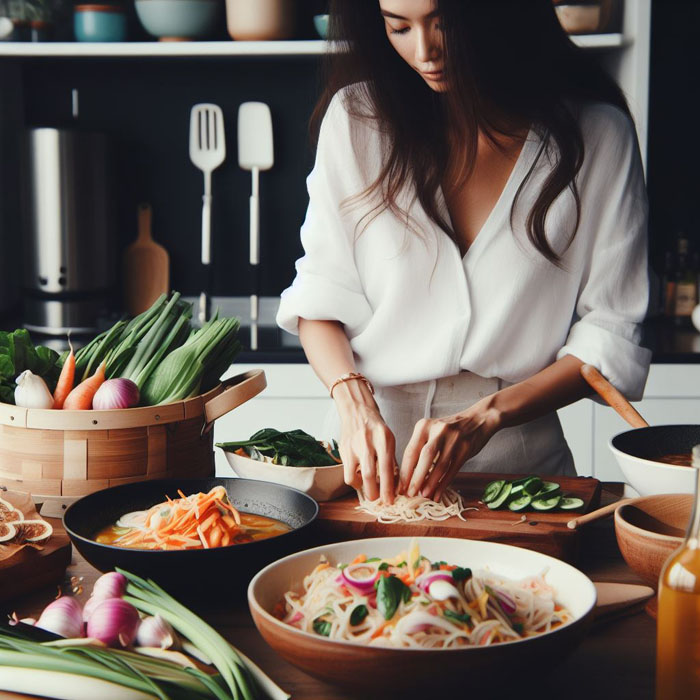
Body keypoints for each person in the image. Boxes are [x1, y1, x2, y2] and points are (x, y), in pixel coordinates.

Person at [276, 0, 651, 505]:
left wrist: (488, 415)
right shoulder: (356, 119)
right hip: (364, 474)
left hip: (518, 481)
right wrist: (353, 401)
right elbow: (320, 296)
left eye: (444, 22)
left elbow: (610, 328)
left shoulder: (598, 136)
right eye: (399, 26)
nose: (424, 51)